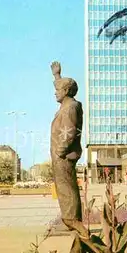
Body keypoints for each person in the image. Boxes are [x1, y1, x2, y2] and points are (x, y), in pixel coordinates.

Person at [50, 61, 88, 237]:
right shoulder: (67, 105)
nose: (55, 92)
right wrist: (57, 76)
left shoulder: (71, 107)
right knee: (63, 188)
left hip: (64, 155)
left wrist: (60, 151)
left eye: (58, 90)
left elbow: (70, 131)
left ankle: (73, 221)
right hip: (62, 155)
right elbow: (61, 86)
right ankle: (69, 220)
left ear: (66, 92)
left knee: (67, 188)